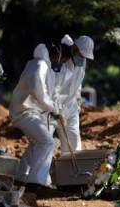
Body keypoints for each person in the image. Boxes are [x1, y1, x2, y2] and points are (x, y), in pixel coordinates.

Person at [10, 43, 69, 187]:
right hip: (23, 112)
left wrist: (56, 110)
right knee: (47, 142)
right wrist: (56, 110)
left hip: (30, 111)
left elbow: (45, 94)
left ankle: (21, 176)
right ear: (54, 56)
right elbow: (40, 93)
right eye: (59, 59)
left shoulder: (40, 65)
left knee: (37, 142)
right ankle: (35, 182)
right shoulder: (39, 66)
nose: (59, 62)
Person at [54, 35, 94, 155]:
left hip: (71, 106)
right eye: (81, 55)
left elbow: (78, 85)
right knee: (44, 141)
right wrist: (57, 109)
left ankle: (71, 171)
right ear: (74, 49)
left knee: (74, 139)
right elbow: (54, 87)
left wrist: (77, 105)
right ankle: (29, 172)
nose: (83, 59)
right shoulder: (62, 59)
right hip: (53, 105)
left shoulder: (82, 63)